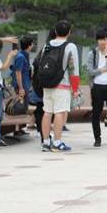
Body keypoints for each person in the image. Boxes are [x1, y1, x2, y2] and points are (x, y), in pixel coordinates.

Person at [40, 20, 79, 152]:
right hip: (62, 84)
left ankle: (45, 142)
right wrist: (75, 88)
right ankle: (57, 142)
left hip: (47, 84)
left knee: (47, 112)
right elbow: (73, 69)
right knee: (59, 113)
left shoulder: (47, 45)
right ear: (69, 32)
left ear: (55, 31)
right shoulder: (70, 46)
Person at [86, 28, 107, 147]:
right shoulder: (92, 53)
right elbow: (90, 72)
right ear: (97, 40)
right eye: (101, 39)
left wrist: (106, 55)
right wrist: (102, 70)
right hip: (97, 86)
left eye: (106, 39)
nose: (103, 42)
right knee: (96, 113)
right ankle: (97, 138)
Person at [11, 37, 42, 136]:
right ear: (29, 45)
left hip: (25, 84)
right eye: (32, 43)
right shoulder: (20, 57)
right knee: (19, 107)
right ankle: (16, 130)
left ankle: (19, 128)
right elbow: (18, 72)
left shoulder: (24, 55)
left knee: (23, 107)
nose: (33, 45)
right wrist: (20, 88)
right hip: (22, 85)